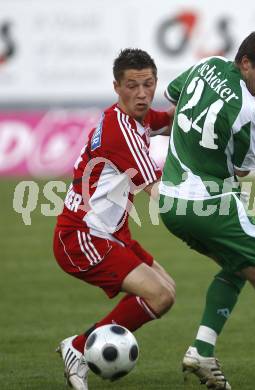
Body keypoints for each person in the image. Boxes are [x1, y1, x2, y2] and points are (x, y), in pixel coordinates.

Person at [159, 28, 255, 390]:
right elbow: (241, 168)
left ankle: (202, 349)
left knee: (237, 266)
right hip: (210, 202)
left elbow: (172, 102)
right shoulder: (249, 112)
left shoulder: (206, 64)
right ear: (245, 63)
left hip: (169, 202)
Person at [53, 48, 175, 390]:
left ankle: (78, 346)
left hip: (110, 233)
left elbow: (167, 119)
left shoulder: (135, 118)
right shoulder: (119, 132)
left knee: (167, 292)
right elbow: (159, 194)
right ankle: (78, 349)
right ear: (116, 87)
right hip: (82, 237)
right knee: (158, 297)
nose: (142, 93)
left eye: (149, 84)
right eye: (132, 86)